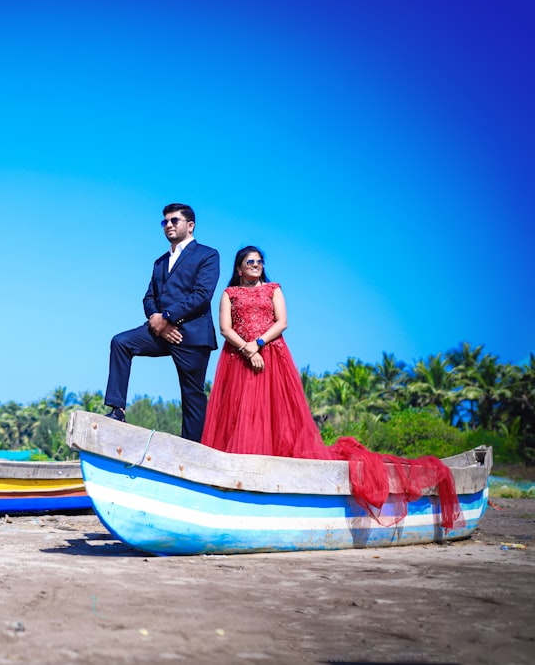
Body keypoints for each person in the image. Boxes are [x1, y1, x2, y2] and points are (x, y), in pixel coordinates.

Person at [200, 246, 462, 529]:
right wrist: (248, 351)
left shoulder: (274, 289)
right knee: (240, 415)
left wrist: (259, 345)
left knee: (273, 414)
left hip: (272, 355)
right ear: (238, 268)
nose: (255, 265)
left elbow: (282, 322)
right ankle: (233, 482)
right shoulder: (230, 294)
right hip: (237, 359)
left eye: (259, 261)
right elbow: (226, 329)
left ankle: (272, 480)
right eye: (249, 262)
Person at [104, 203, 220, 441]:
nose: (168, 225)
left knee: (192, 395)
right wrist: (157, 319)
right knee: (121, 342)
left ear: (190, 225)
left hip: (192, 334)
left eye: (174, 220)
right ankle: (117, 410)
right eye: (164, 222)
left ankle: (193, 449)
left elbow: (202, 295)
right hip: (159, 332)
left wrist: (167, 318)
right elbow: (149, 297)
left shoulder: (208, 255)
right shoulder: (159, 262)